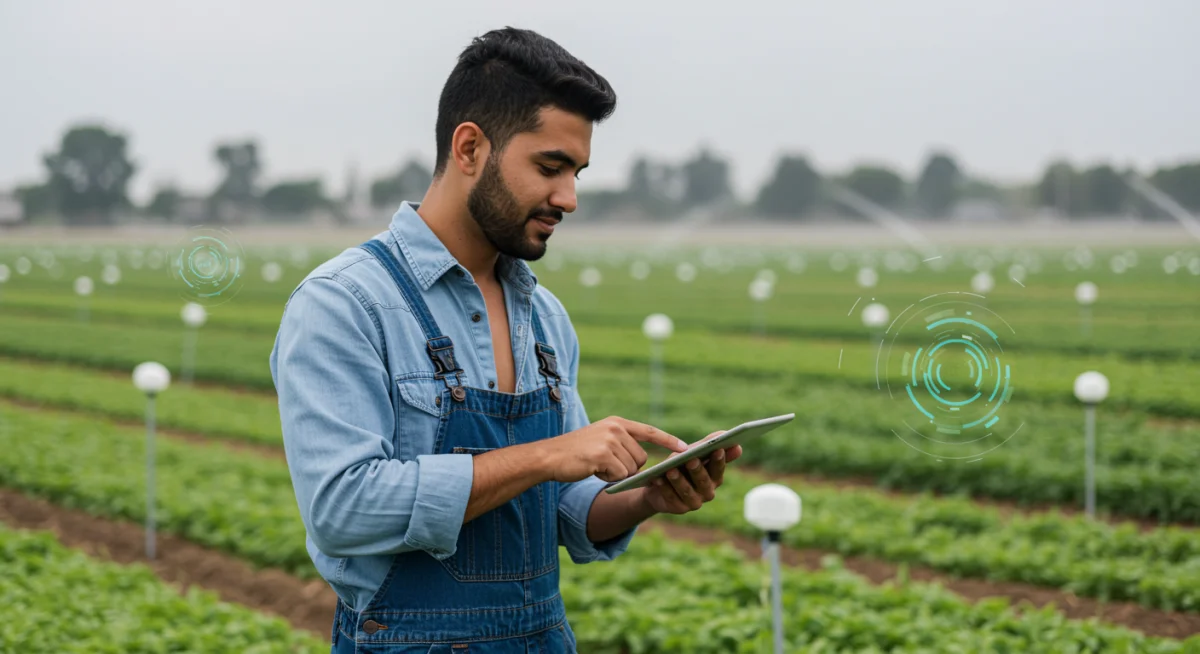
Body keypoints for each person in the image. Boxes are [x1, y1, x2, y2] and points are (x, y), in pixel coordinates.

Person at [270, 26, 742, 653]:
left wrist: (645, 496)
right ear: (469, 148)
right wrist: (547, 455)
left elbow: (563, 509)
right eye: (550, 167)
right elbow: (344, 508)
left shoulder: (543, 317)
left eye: (577, 172)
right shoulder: (345, 304)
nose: (569, 197)